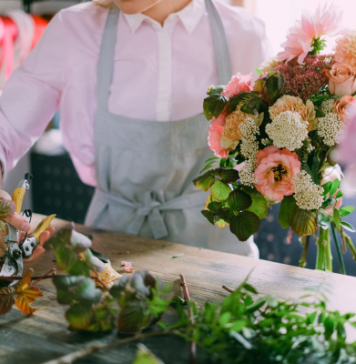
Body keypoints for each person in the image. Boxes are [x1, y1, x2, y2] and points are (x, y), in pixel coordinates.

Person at [0, 0, 270, 262]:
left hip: (223, 260)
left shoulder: (246, 34)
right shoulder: (73, 30)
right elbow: (6, 125)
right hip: (112, 258)